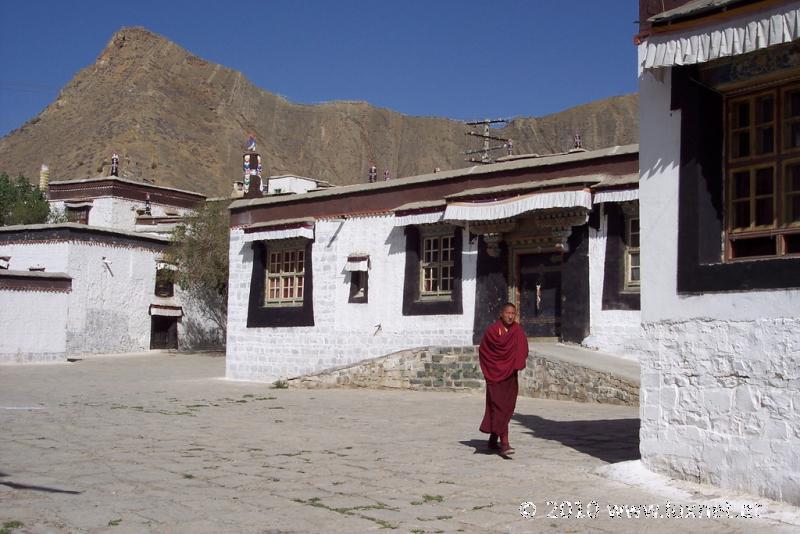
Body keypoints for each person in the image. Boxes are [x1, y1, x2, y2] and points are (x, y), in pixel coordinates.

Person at [478, 302, 528, 457]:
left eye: (513, 313)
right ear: (501, 313)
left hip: (510, 376)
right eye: (508, 313)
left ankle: (493, 438)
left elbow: (523, 349)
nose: (511, 316)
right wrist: (490, 371)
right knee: (499, 407)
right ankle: (504, 443)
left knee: (505, 408)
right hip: (494, 375)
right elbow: (484, 351)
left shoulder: (518, 330)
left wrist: (516, 363)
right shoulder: (492, 331)